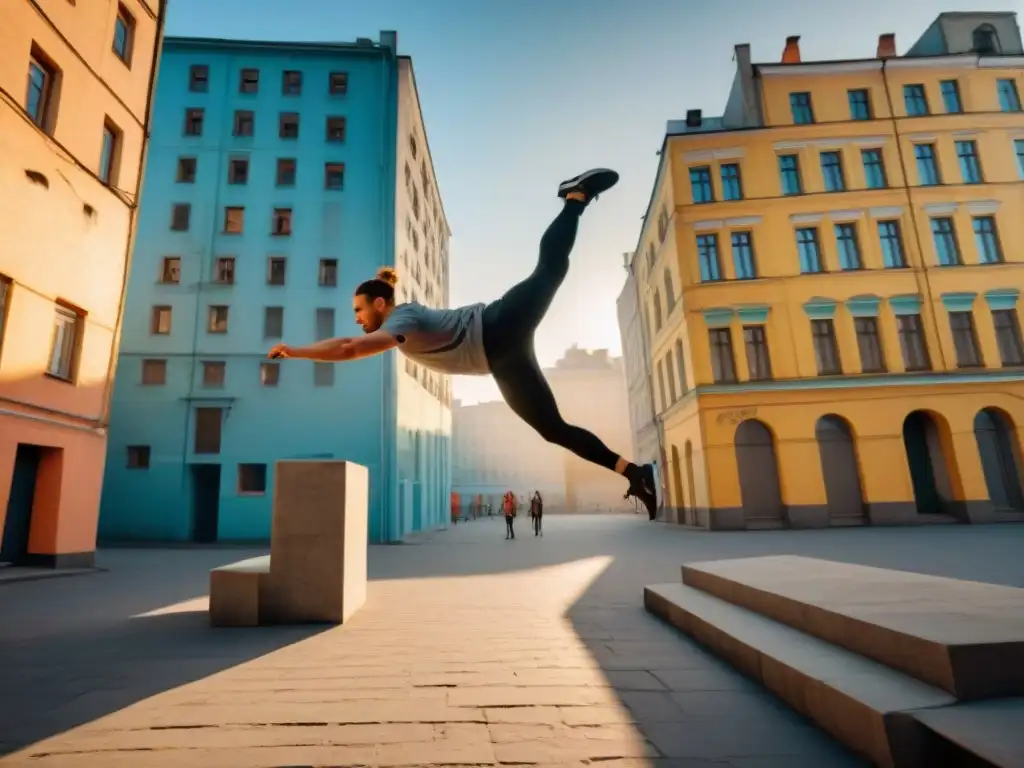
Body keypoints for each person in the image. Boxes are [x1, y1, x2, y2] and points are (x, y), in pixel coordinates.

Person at [268, 168, 659, 520]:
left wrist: (296, 351)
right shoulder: (400, 323)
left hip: (499, 324)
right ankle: (634, 473)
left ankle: (575, 196)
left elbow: (350, 348)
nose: (356, 317)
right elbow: (348, 342)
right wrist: (301, 350)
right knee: (553, 430)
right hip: (504, 360)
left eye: (359, 309)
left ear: (380, 303)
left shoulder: (401, 318)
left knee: (551, 269)